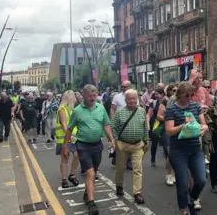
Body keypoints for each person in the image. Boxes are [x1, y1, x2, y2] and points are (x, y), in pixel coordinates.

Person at [63, 84, 115, 215]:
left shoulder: (101, 108)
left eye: (94, 95)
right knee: (90, 173)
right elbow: (69, 129)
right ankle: (91, 203)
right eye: (89, 96)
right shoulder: (77, 111)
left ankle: (87, 193)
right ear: (83, 96)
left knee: (94, 171)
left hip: (97, 145)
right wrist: (66, 146)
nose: (92, 98)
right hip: (83, 146)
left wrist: (111, 139)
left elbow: (106, 125)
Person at [165, 82, 208, 215]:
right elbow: (169, 131)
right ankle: (183, 209)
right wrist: (183, 125)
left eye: (191, 95)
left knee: (201, 179)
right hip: (178, 151)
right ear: (179, 95)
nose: (189, 97)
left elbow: (204, 124)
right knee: (182, 183)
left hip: (195, 149)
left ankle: (192, 199)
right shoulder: (171, 109)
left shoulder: (195, 107)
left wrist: (204, 128)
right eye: (186, 95)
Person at [112, 89, 149, 205]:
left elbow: (144, 127)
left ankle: (137, 193)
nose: (132, 101)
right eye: (130, 99)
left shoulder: (142, 111)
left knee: (137, 169)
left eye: (134, 98)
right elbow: (113, 127)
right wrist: (116, 141)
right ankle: (119, 185)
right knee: (120, 167)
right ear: (125, 100)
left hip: (138, 144)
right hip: (123, 144)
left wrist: (146, 140)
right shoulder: (119, 113)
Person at [55, 90, 80, 189]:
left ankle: (72, 174)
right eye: (73, 96)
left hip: (74, 137)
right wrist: (69, 136)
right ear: (69, 98)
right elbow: (64, 124)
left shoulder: (72, 109)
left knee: (77, 155)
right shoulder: (62, 109)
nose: (75, 98)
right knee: (65, 158)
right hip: (64, 138)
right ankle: (64, 179)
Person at [155, 88, 175, 186]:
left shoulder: (183, 101)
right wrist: (169, 119)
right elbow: (159, 116)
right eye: (173, 90)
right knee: (170, 152)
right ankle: (170, 174)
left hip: (179, 130)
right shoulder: (165, 102)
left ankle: (176, 173)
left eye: (177, 90)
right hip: (167, 130)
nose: (175, 92)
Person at [147, 88, 169, 168]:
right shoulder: (154, 103)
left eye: (158, 94)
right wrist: (148, 125)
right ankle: (153, 159)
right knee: (154, 143)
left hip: (165, 125)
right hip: (155, 125)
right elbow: (148, 114)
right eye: (155, 94)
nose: (156, 96)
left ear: (163, 94)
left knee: (166, 144)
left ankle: (168, 161)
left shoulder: (168, 102)